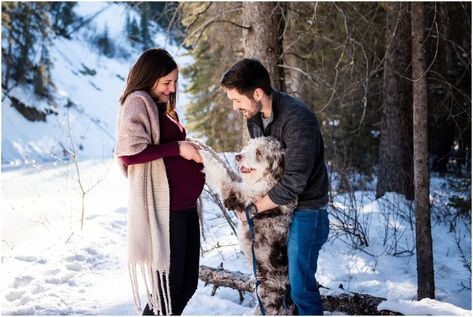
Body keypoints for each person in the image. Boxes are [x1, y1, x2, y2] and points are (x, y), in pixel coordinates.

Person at [220, 58, 330, 315]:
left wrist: (254, 209)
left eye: (237, 100)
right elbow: (263, 172)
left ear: (257, 93)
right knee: (280, 284)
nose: (235, 107)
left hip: (306, 209)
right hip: (276, 208)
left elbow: (294, 182)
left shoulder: (298, 120)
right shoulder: (255, 117)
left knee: (301, 286)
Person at [115, 48, 204, 316]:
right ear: (150, 77)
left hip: (186, 207)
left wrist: (187, 147)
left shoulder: (160, 107)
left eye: (175, 81)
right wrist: (178, 148)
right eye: (167, 82)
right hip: (167, 210)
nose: (172, 88)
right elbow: (130, 154)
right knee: (169, 288)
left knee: (187, 284)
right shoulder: (137, 101)